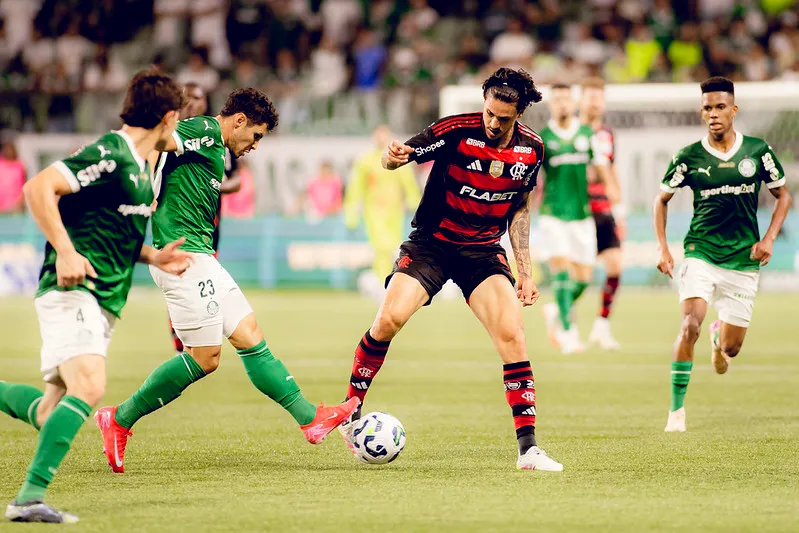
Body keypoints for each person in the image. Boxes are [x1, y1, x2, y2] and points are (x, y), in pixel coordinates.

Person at [95, 88, 359, 473]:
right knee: (204, 359)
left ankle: (310, 418)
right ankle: (118, 418)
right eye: (255, 136)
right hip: (181, 257)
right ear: (238, 122)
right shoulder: (204, 130)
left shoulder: (218, 152)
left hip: (204, 258)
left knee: (250, 334)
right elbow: (158, 140)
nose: (254, 146)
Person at [339, 67, 564, 472]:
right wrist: (393, 159)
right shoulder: (456, 130)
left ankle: (529, 450)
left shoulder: (532, 149)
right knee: (388, 318)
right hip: (431, 245)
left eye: (504, 118)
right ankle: (351, 412)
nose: (493, 123)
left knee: (513, 335)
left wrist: (525, 270)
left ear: (521, 113)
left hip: (481, 251)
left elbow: (520, 209)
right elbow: (404, 155)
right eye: (489, 113)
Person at [0, 70, 191, 523]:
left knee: (51, 411)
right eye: (178, 121)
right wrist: (65, 252)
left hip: (102, 299)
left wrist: (152, 257)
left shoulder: (141, 169)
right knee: (90, 385)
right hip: (73, 288)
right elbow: (37, 187)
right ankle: (28, 500)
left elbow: (110, 231)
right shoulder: (111, 153)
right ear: (167, 118)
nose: (179, 131)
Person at [655, 77, 791, 432]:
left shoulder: (757, 151)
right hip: (700, 251)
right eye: (706, 108)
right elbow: (662, 200)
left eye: (719, 107)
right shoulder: (688, 157)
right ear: (701, 113)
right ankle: (676, 413)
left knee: (732, 350)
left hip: (744, 258)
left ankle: (720, 340)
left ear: (734, 110)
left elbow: (784, 196)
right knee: (689, 325)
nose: (713, 114)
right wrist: (664, 248)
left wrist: (770, 239)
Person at [162, 82, 242, 357]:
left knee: (201, 284)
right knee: (178, 282)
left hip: (209, 224)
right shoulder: (174, 136)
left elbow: (236, 180)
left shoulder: (223, 139)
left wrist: (214, 183)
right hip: (176, 224)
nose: (196, 103)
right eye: (191, 97)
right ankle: (182, 345)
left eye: (201, 98)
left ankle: (196, 344)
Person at [538, 83, 618, 355]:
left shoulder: (587, 135)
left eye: (565, 99)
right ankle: (569, 334)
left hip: (582, 216)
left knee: (584, 278)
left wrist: (616, 203)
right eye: (556, 99)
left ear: (574, 104)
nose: (562, 104)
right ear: (550, 105)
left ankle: (556, 311)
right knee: (560, 270)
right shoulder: (542, 138)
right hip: (552, 215)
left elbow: (602, 170)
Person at [344, 125, 420, 294]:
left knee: (392, 246)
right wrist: (351, 213)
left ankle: (389, 281)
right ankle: (381, 282)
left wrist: (416, 204)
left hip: (394, 211)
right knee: (380, 246)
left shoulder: (397, 159)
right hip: (374, 211)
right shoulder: (365, 160)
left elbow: (408, 182)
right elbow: (355, 188)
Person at [579, 77, 624, 350]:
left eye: (599, 97)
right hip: (579, 212)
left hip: (604, 210)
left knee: (616, 265)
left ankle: (601, 326)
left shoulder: (607, 133)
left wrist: (620, 205)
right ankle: (561, 318)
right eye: (591, 96)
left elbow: (611, 167)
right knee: (581, 277)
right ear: (581, 100)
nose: (595, 101)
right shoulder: (573, 132)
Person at [0, 139, 27, 214]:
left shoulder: (20, 166)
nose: (8, 151)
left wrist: (20, 202)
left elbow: (24, 184)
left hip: (15, 206)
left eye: (10, 149)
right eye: (6, 149)